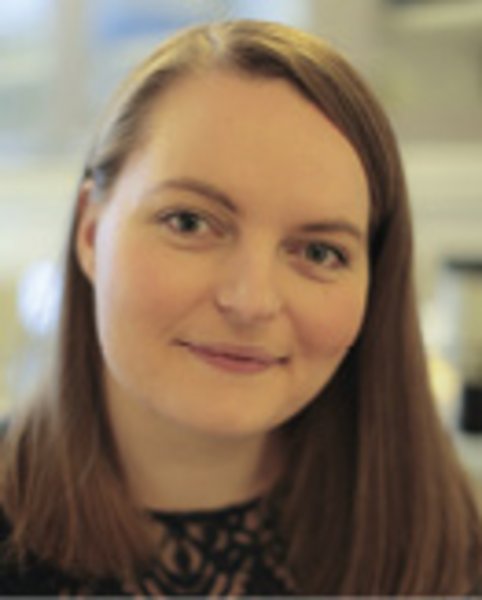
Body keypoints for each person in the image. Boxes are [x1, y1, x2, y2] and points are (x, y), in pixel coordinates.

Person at [0, 19, 481, 596]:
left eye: (319, 252)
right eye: (189, 222)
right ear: (90, 232)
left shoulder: (448, 542)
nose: (251, 302)